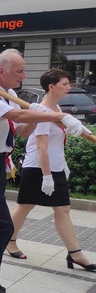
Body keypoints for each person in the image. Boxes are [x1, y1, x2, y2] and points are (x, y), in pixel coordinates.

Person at [0, 49, 90, 293]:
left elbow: (21, 130)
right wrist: (58, 116)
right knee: (3, 226)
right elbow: (15, 116)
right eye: (20, 71)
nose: (24, 75)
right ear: (2, 71)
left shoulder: (8, 96)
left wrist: (42, 117)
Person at [7, 68, 95, 271]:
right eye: (65, 84)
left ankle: (74, 254)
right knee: (25, 205)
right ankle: (8, 241)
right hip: (39, 167)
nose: (69, 87)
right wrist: (47, 176)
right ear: (52, 87)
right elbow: (41, 146)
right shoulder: (42, 111)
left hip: (53, 168)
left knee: (60, 208)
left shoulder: (55, 110)